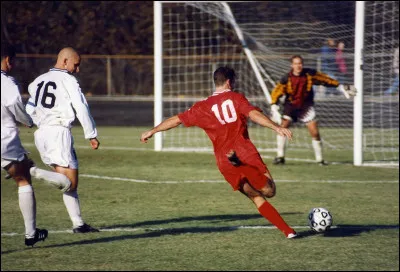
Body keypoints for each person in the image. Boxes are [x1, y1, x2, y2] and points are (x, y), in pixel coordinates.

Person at [141, 66, 299, 239]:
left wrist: (153, 131)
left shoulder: (202, 106)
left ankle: (288, 232)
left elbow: (176, 120)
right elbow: (253, 114)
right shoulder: (236, 97)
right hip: (244, 152)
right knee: (269, 191)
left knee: (256, 197)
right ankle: (244, 167)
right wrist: (276, 127)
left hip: (224, 161)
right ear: (230, 82)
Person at [1, 45, 73, 247]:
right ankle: (31, 234)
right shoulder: (6, 82)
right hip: (4, 139)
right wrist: (28, 120)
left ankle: (28, 166)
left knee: (20, 169)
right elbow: (15, 105)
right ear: (8, 59)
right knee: (23, 180)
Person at [26, 47, 100, 233]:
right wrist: (91, 133)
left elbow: (29, 108)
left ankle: (79, 224)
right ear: (65, 61)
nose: (77, 69)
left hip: (41, 134)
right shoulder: (68, 80)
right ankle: (32, 170)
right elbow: (81, 107)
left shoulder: (37, 81)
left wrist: (32, 123)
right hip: (58, 133)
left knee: (66, 183)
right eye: (76, 65)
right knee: (70, 184)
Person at [270, 55, 356, 165]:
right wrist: (273, 105)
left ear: (302, 64)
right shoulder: (286, 78)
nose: (298, 66)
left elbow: (324, 79)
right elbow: (277, 92)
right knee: (283, 128)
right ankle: (280, 157)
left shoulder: (309, 74)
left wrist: (339, 86)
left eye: (300, 63)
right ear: (292, 65)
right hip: (290, 106)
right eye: (296, 63)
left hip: (306, 106)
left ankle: (320, 160)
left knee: (315, 132)